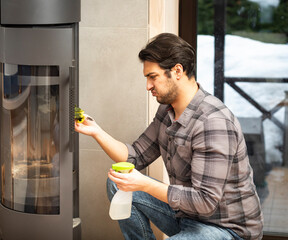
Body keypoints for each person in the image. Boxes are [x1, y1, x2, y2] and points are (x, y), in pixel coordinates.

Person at [75, 33, 263, 240]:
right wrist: (96, 131)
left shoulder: (212, 123)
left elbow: (205, 202)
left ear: (177, 71)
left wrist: (145, 184)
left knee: (136, 183)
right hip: (187, 216)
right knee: (118, 182)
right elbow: (135, 156)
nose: (148, 86)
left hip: (227, 229)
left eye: (152, 76)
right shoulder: (167, 111)